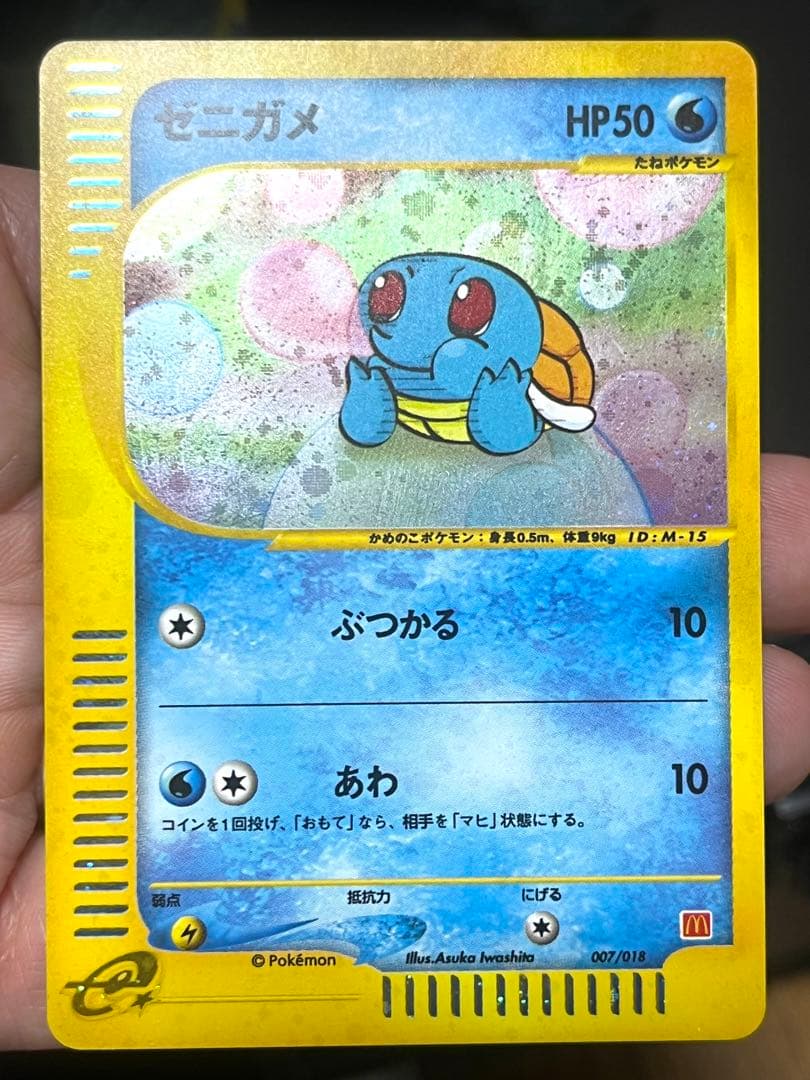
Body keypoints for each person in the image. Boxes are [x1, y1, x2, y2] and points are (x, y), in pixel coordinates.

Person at [1, 163, 809, 1049]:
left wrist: (493, 402)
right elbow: (336, 473)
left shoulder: (552, 439)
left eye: (461, 305)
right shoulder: (354, 430)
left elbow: (515, 446)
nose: (404, 314)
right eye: (387, 296)